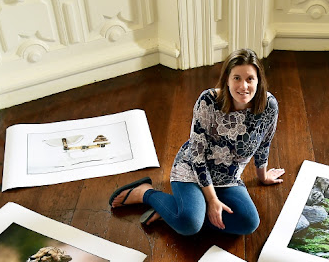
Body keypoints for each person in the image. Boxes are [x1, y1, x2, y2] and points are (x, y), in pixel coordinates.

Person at [109, 48, 285, 235]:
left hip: (227, 179)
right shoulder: (208, 101)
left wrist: (263, 176)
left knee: (249, 223)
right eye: (237, 78)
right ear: (227, 79)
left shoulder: (268, 106)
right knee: (189, 226)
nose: (244, 86)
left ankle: (177, 211)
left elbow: (264, 144)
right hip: (193, 169)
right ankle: (146, 193)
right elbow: (197, 155)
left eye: (250, 78)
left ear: (259, 80)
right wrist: (211, 200)